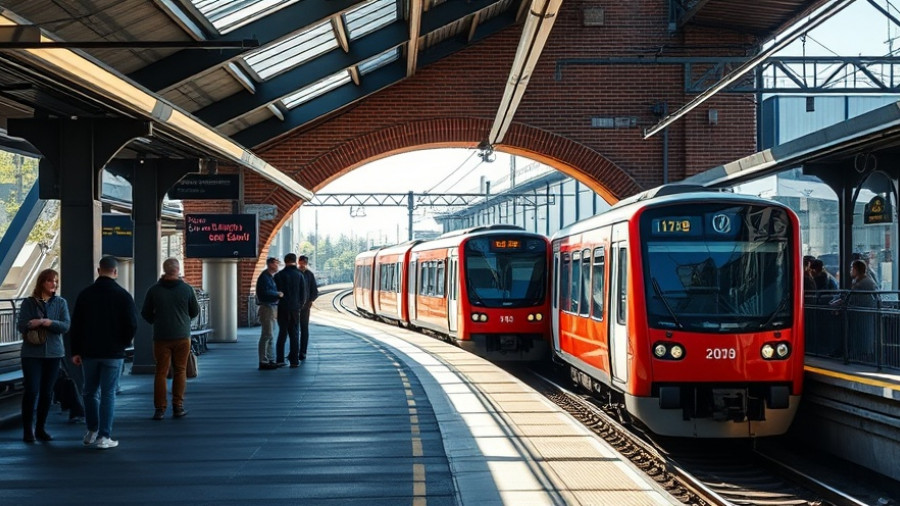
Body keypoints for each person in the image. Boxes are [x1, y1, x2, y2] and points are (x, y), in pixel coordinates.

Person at [69, 257, 137, 449]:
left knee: (89, 391)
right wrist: (122, 343)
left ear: (99, 270)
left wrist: (76, 351)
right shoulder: (123, 295)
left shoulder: (85, 295)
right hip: (113, 353)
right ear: (115, 272)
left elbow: (76, 325)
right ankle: (104, 436)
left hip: (89, 352)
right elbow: (132, 324)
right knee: (108, 394)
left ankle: (91, 430)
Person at [141, 258, 199, 420]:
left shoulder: (154, 290)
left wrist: (158, 321)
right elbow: (194, 311)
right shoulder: (187, 289)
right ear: (178, 269)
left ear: (164, 270)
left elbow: (145, 313)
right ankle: (178, 406)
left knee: (161, 372)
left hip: (161, 336)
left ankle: (159, 409)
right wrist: (183, 321)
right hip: (182, 336)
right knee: (180, 370)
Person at [17, 268, 70, 443]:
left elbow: (65, 326)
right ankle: (27, 429)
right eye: (50, 280)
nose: (53, 284)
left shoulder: (60, 303)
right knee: (32, 390)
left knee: (47, 393)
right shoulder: (29, 303)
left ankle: (41, 428)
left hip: (54, 353)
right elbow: (21, 326)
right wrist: (33, 324)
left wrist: (47, 322)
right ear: (42, 282)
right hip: (32, 354)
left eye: (56, 281)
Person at [274, 253, 307, 368]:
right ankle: (294, 361)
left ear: (285, 261)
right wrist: (299, 306)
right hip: (294, 309)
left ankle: (279, 359)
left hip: (282, 308)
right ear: (295, 261)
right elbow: (303, 295)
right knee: (294, 334)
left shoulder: (278, 275)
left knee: (282, 334)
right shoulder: (299, 275)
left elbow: (275, 294)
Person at [255, 257, 283, 370]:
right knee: (267, 335)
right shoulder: (265, 277)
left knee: (270, 335)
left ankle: (270, 359)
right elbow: (265, 292)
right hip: (267, 308)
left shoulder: (268, 277)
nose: (277, 266)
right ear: (270, 264)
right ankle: (263, 361)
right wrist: (278, 294)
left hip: (271, 307)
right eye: (276, 263)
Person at [297, 255, 319, 361]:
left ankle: (303, 351)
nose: (302, 265)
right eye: (301, 263)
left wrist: (310, 301)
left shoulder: (309, 274)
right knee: (295, 329)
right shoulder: (296, 273)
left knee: (304, 329)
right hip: (295, 307)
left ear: (306, 263)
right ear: (298, 262)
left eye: (304, 263)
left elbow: (314, 290)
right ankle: (296, 350)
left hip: (305, 307)